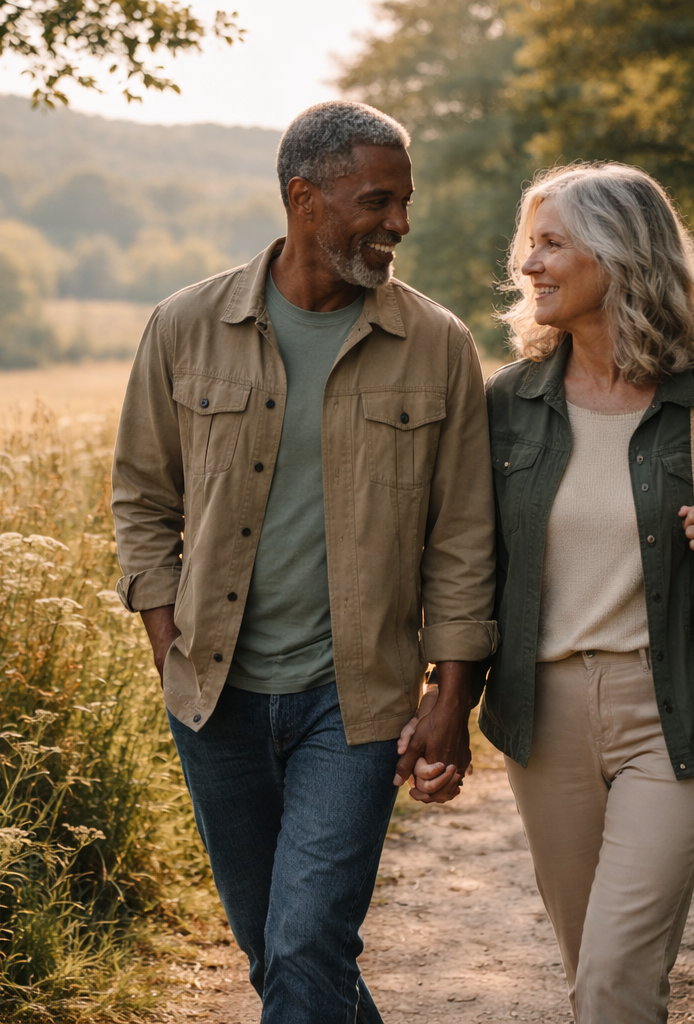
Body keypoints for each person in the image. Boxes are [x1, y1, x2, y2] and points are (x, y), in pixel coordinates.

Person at [110, 100, 498, 1024]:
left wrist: (452, 697)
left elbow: (464, 539)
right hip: (215, 696)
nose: (399, 223)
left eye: (405, 202)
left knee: (305, 943)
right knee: (277, 953)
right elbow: (140, 497)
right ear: (303, 198)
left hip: (353, 702)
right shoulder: (185, 325)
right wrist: (167, 636)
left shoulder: (437, 345)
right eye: (378, 201)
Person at [478, 163, 694, 1022]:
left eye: (553, 244)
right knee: (598, 973)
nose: (530, 265)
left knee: (611, 974)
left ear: (620, 254)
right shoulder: (509, 404)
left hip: (675, 712)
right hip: (544, 715)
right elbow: (467, 561)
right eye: (532, 245)